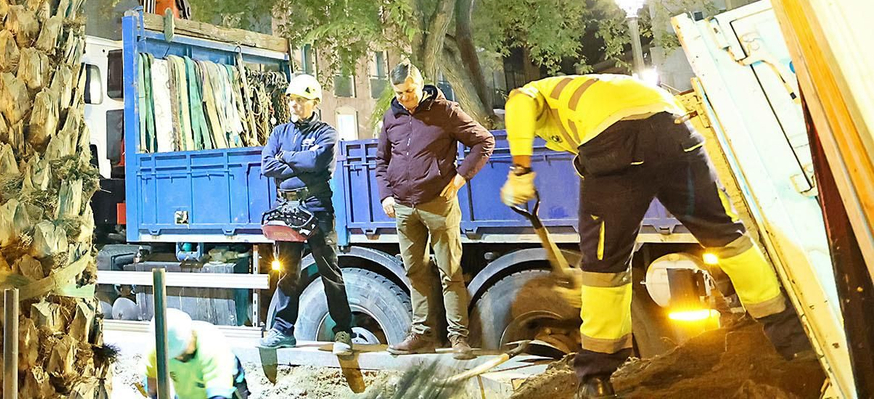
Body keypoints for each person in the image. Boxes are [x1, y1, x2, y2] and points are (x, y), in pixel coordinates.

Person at [499, 73, 812, 399]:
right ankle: (791, 337)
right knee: (727, 237)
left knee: (605, 270)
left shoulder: (537, 92)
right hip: (677, 134)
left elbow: (520, 99)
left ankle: (595, 382)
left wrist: (520, 170)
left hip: (618, 145)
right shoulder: (597, 87)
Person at [376, 63, 494, 359]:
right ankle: (422, 336)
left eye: (410, 91)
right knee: (415, 271)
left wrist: (460, 178)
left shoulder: (446, 111)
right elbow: (381, 160)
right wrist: (385, 196)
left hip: (439, 205)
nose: (405, 98)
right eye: (399, 93)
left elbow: (484, 141)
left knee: (450, 272)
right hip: (403, 208)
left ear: (421, 84)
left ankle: (458, 339)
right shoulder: (391, 116)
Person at [258, 73, 355, 354]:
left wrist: (285, 156)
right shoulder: (279, 133)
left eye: (301, 100)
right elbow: (267, 166)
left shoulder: (326, 133)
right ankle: (282, 331)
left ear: (314, 101)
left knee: (330, 271)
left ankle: (343, 332)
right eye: (292, 100)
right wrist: (302, 162)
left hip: (316, 208)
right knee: (287, 272)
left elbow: (319, 162)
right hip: (286, 208)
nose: (295, 105)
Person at [147, 308, 251, 399]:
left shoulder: (212, 346)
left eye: (182, 352)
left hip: (226, 392)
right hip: (186, 393)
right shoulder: (158, 346)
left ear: (191, 334)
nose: (180, 357)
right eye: (175, 355)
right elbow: (151, 381)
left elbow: (219, 393)